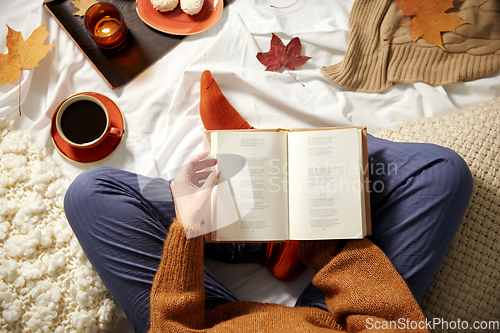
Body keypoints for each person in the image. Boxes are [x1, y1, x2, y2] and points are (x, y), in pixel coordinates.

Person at [64, 71, 473, 333]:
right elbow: (385, 321)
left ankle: (264, 216)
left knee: (91, 194)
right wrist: (326, 244)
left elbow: (172, 326)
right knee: (440, 173)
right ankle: (287, 224)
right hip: (327, 323)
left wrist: (186, 234)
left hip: (209, 324)